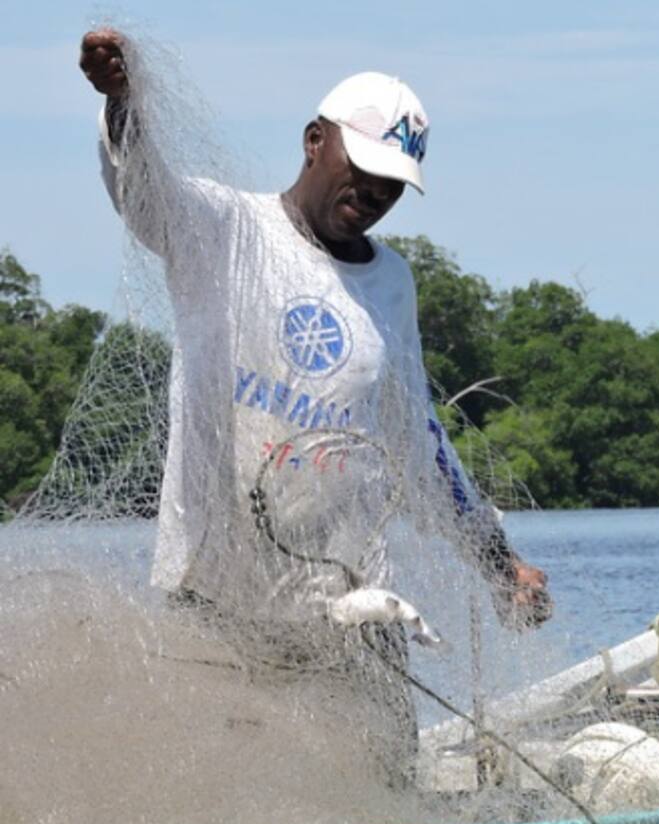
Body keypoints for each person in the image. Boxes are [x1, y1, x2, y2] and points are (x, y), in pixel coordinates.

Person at [78, 29, 551, 639]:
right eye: (364, 166)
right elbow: (144, 195)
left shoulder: (392, 283)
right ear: (314, 141)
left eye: (394, 180)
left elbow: (421, 442)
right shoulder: (225, 229)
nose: (378, 190)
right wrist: (122, 106)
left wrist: (499, 564)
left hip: (350, 602)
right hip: (213, 596)